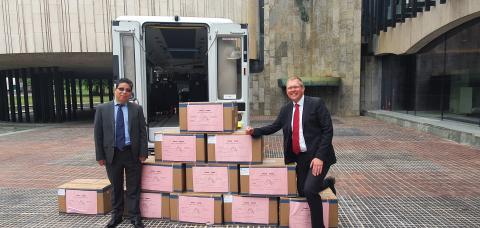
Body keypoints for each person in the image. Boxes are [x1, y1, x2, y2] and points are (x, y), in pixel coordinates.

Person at [246, 76, 337, 228]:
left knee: (309, 191)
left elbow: (328, 130)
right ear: (287, 91)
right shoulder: (286, 110)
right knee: (302, 191)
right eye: (290, 88)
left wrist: (320, 157)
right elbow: (274, 127)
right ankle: (328, 182)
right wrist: (254, 131)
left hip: (318, 156)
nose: (293, 90)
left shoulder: (316, 104)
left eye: (296, 87)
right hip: (300, 157)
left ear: (303, 89)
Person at [94, 78, 148, 228]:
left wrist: (143, 152)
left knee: (133, 187)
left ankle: (135, 217)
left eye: (128, 90)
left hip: (132, 153)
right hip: (112, 154)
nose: (124, 92)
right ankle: (116, 216)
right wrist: (100, 155)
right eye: (121, 89)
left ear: (131, 93)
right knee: (116, 187)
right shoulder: (102, 109)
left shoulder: (136, 109)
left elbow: (142, 132)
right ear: (115, 90)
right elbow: (98, 134)